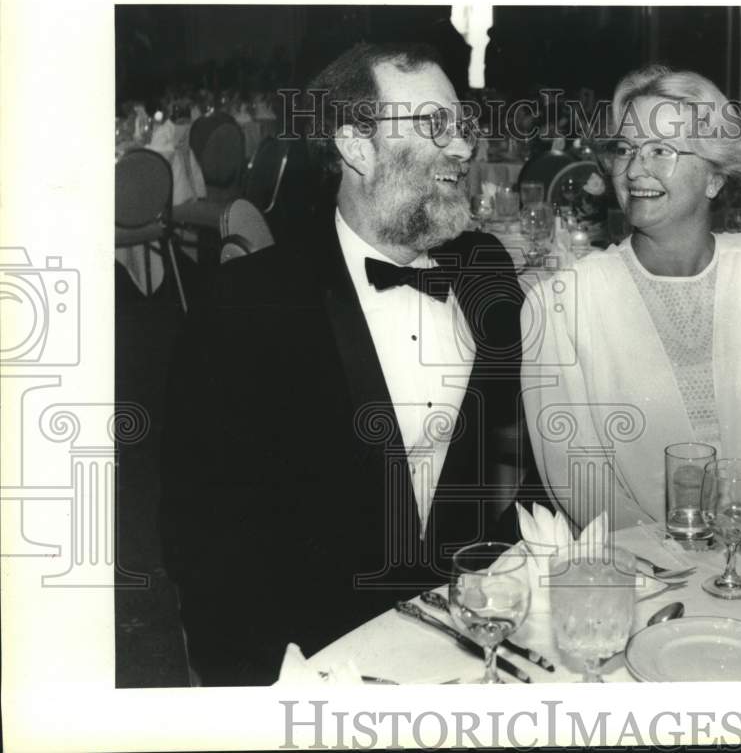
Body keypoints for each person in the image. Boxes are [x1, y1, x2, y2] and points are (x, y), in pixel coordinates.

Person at [160, 43, 533, 686]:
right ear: (357, 147)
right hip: (327, 655)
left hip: (473, 636)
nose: (465, 149)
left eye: (461, 127)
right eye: (433, 126)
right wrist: (270, 691)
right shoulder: (243, 308)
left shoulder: (484, 268)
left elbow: (514, 448)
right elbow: (203, 538)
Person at [521, 66, 741, 532]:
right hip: (646, 570)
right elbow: (578, 473)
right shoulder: (563, 304)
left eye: (661, 150)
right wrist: (663, 558)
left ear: (715, 179)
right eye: (626, 149)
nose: (636, 169)